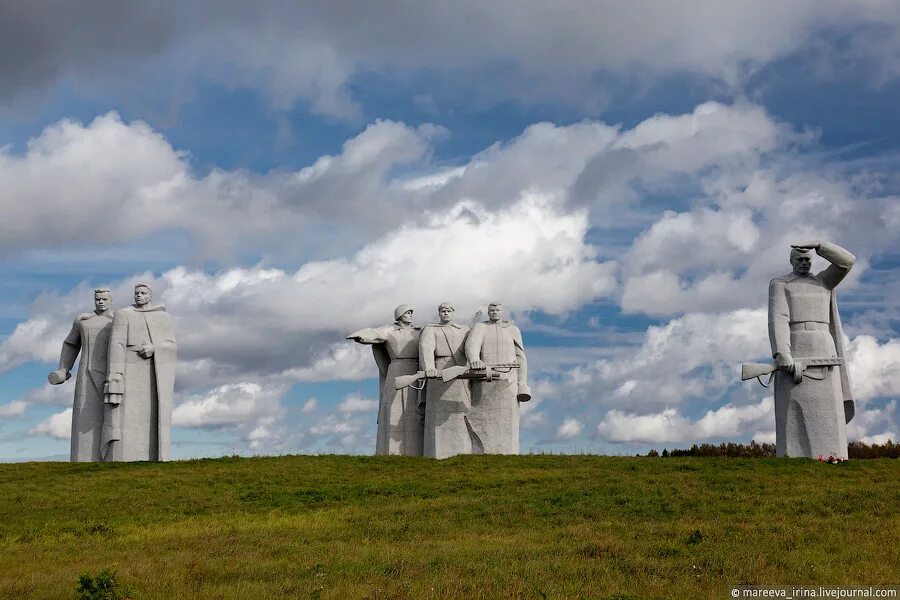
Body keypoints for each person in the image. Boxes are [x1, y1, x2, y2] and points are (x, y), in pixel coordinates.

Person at [769, 240, 856, 459]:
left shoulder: (824, 282)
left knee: (829, 409)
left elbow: (846, 262)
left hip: (825, 346)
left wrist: (820, 244)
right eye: (799, 259)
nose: (804, 263)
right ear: (791, 261)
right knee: (796, 407)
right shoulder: (781, 284)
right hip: (797, 346)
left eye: (808, 259)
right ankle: (797, 455)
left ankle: (833, 455)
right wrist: (783, 353)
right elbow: (778, 319)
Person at [102, 283, 177, 461]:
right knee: (125, 414)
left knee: (151, 412)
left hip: (153, 371)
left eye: (143, 293)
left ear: (150, 296)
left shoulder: (163, 317)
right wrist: (116, 373)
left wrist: (155, 347)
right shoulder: (124, 314)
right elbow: (116, 343)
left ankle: (153, 456)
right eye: (136, 293)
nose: (139, 296)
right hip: (128, 368)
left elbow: (171, 344)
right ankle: (123, 457)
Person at [47, 288, 114, 462]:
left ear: (110, 300)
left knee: (112, 414)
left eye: (104, 299)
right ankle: (83, 458)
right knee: (84, 413)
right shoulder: (83, 320)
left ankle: (113, 456)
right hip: (86, 372)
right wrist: (64, 369)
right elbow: (71, 344)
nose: (101, 302)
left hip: (111, 373)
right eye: (98, 299)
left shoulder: (118, 320)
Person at [347, 305, 424, 456]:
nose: (410, 315)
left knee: (415, 408)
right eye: (407, 313)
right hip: (396, 369)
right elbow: (373, 333)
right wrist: (360, 337)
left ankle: (418, 450)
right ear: (400, 316)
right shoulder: (389, 330)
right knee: (393, 407)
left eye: (411, 313)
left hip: (416, 370)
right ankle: (393, 451)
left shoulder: (419, 331)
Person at [464, 303, 531, 454]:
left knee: (507, 420)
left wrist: (522, 383)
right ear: (488, 313)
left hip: (509, 379)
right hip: (485, 377)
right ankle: (482, 451)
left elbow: (521, 357)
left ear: (502, 312)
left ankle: (508, 452)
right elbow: (472, 345)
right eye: (491, 310)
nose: (494, 312)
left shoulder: (513, 330)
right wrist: (474, 358)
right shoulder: (481, 327)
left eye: (497, 310)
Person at [419, 302, 473, 459]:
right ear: (439, 313)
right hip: (439, 370)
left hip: (460, 372)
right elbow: (426, 348)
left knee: (460, 411)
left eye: (448, 311)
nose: (446, 313)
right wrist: (429, 367)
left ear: (453, 312)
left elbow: (472, 348)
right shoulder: (431, 329)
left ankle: (463, 451)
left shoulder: (464, 329)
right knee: (437, 413)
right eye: (443, 311)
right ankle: (435, 454)